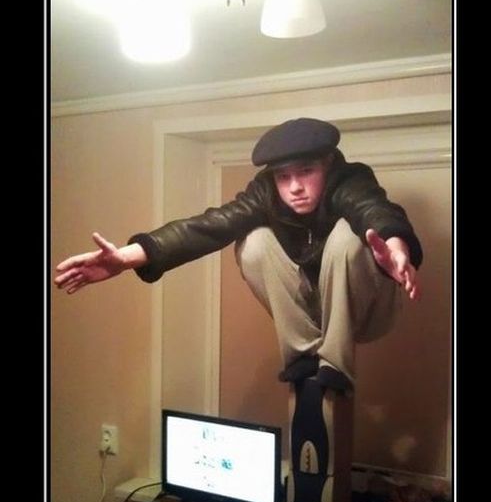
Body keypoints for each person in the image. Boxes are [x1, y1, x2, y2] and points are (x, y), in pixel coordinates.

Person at [55, 118, 422, 393]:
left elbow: (375, 210)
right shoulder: (266, 192)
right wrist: (127, 258)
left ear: (327, 163)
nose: (294, 187)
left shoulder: (350, 179)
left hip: (366, 310)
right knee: (253, 240)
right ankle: (303, 356)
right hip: (314, 310)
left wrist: (395, 247)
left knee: (347, 235)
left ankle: (335, 366)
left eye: (306, 172)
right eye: (283, 177)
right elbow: (210, 226)